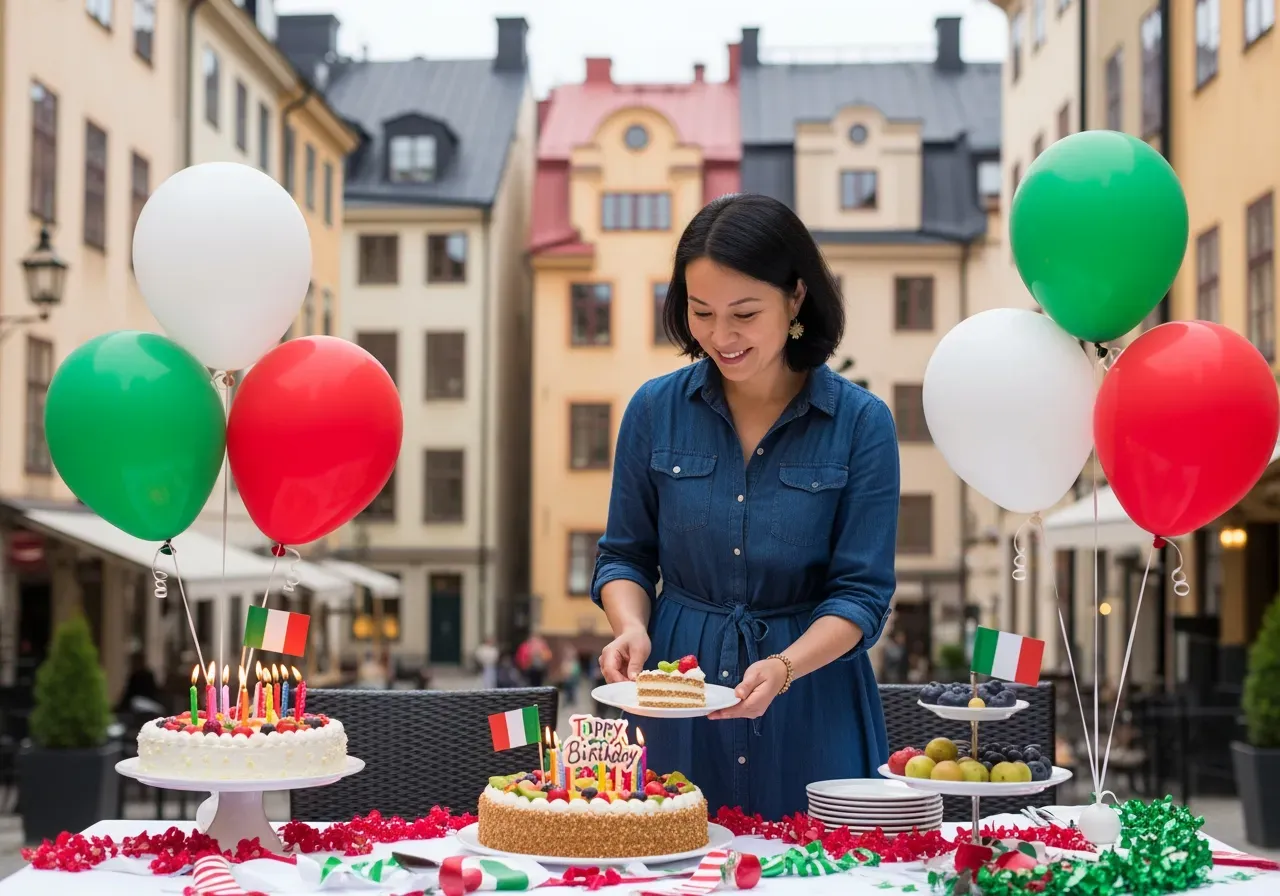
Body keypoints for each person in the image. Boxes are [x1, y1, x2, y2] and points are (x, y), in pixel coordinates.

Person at [592, 193, 900, 819]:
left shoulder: (862, 423)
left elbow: (862, 596)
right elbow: (624, 555)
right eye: (701, 312)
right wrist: (630, 625)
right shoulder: (654, 410)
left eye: (744, 314)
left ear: (796, 298)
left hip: (812, 699)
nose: (720, 337)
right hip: (678, 704)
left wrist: (785, 668)